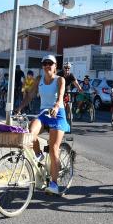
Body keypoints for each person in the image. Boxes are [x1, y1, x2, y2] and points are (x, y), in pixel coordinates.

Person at [17, 55, 69, 195]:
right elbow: (30, 95)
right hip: (43, 114)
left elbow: (60, 96)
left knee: (53, 149)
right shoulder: (39, 79)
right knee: (30, 132)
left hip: (57, 114)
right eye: (44, 63)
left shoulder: (60, 80)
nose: (47, 66)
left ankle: (54, 184)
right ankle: (39, 154)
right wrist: (20, 107)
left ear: (55, 66)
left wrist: (57, 106)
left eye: (50, 63)